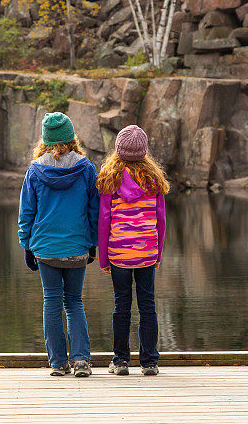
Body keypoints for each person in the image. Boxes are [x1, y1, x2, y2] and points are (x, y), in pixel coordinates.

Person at [18, 112, 99, 377]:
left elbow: (27, 212)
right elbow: (93, 209)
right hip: (77, 247)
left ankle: (57, 363)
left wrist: (26, 245)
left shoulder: (35, 170)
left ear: (46, 139)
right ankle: (81, 361)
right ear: (71, 137)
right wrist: (93, 242)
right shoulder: (86, 168)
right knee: (74, 301)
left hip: (45, 247)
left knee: (51, 301)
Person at [96, 124, 169, 376]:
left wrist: (104, 258)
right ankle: (149, 362)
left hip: (119, 254)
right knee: (148, 305)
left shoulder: (109, 180)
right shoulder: (154, 181)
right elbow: (160, 220)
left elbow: (104, 221)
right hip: (147, 252)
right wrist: (157, 253)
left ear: (118, 150)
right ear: (144, 151)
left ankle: (120, 361)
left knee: (121, 306)